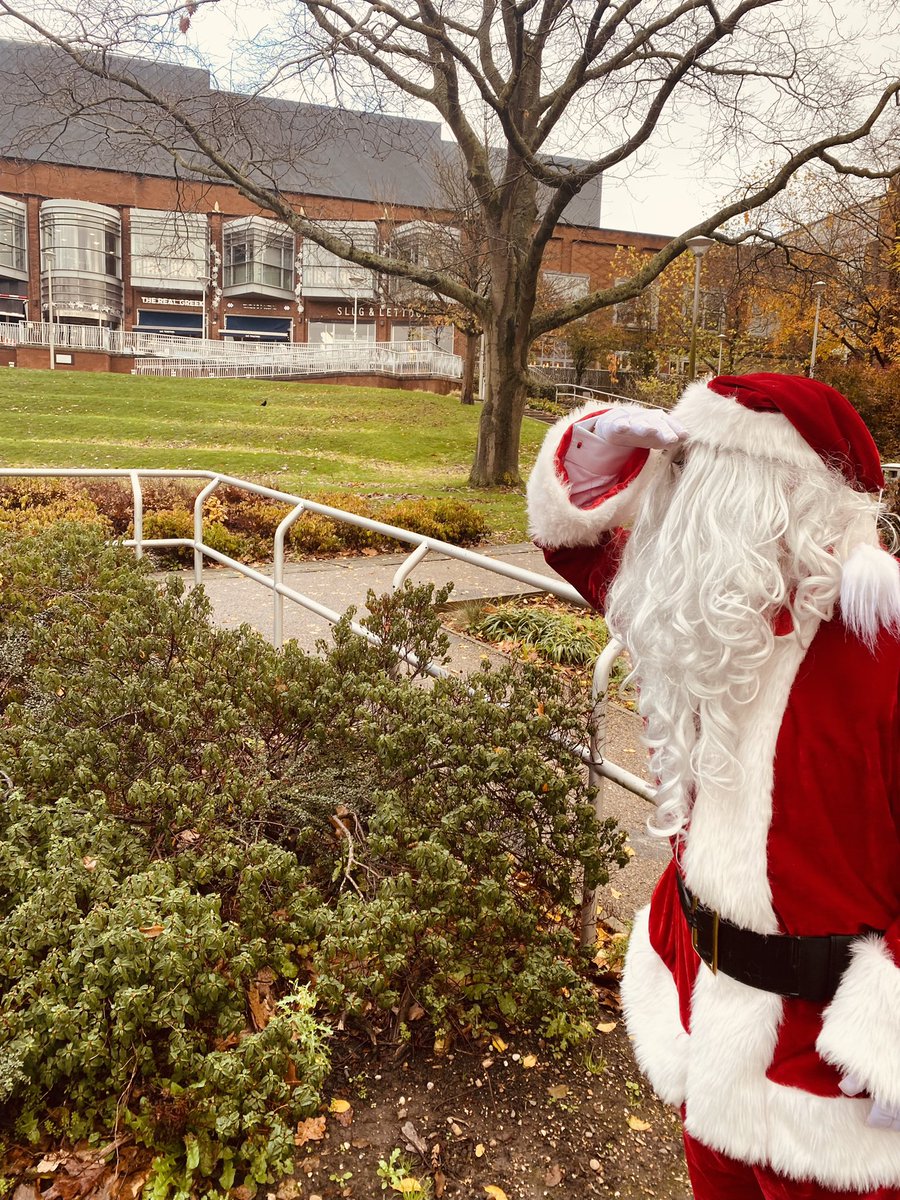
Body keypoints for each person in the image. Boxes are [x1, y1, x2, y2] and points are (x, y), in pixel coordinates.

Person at [526, 373, 900, 1199]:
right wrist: (597, 443)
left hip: (831, 1080)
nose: (688, 512)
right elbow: (575, 545)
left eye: (710, 482)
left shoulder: (884, 647)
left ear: (791, 500)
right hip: (705, 1017)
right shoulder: (702, 616)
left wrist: (885, 1038)